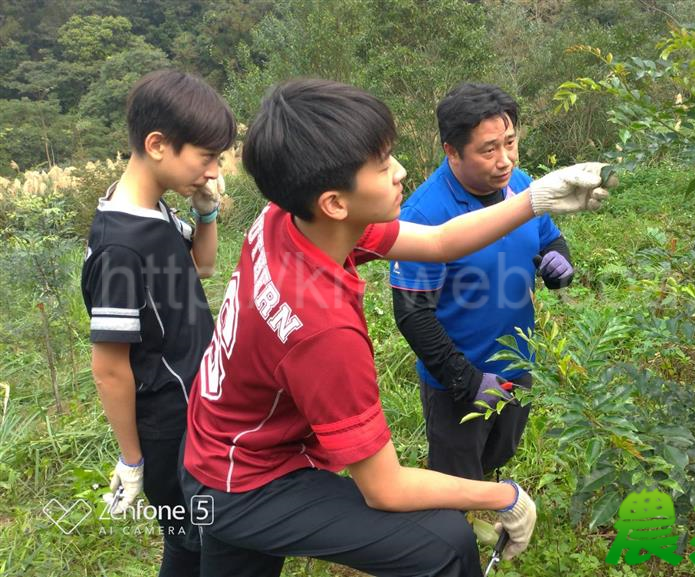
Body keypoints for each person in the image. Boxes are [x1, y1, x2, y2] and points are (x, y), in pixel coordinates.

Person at [180, 78, 612, 576]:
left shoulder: (288, 216)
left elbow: (439, 243)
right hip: (248, 482)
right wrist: (505, 496)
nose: (402, 171)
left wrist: (534, 199)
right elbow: (384, 488)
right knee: (444, 541)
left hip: (218, 441)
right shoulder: (322, 328)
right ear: (335, 202)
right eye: (383, 164)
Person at [81, 69, 234, 576]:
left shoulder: (153, 211)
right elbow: (109, 368)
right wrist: (132, 460)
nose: (213, 171)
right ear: (158, 144)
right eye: (206, 157)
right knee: (190, 538)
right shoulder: (121, 246)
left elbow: (202, 267)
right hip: (170, 424)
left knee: (199, 533)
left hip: (197, 405)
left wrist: (206, 214)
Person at [389, 83, 574, 482]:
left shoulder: (524, 188)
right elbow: (412, 313)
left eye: (511, 143)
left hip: (517, 363)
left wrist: (559, 260)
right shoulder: (424, 214)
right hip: (457, 379)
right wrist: (465, 379)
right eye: (488, 150)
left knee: (497, 454)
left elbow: (548, 239)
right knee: (456, 479)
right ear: (451, 151)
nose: (505, 160)